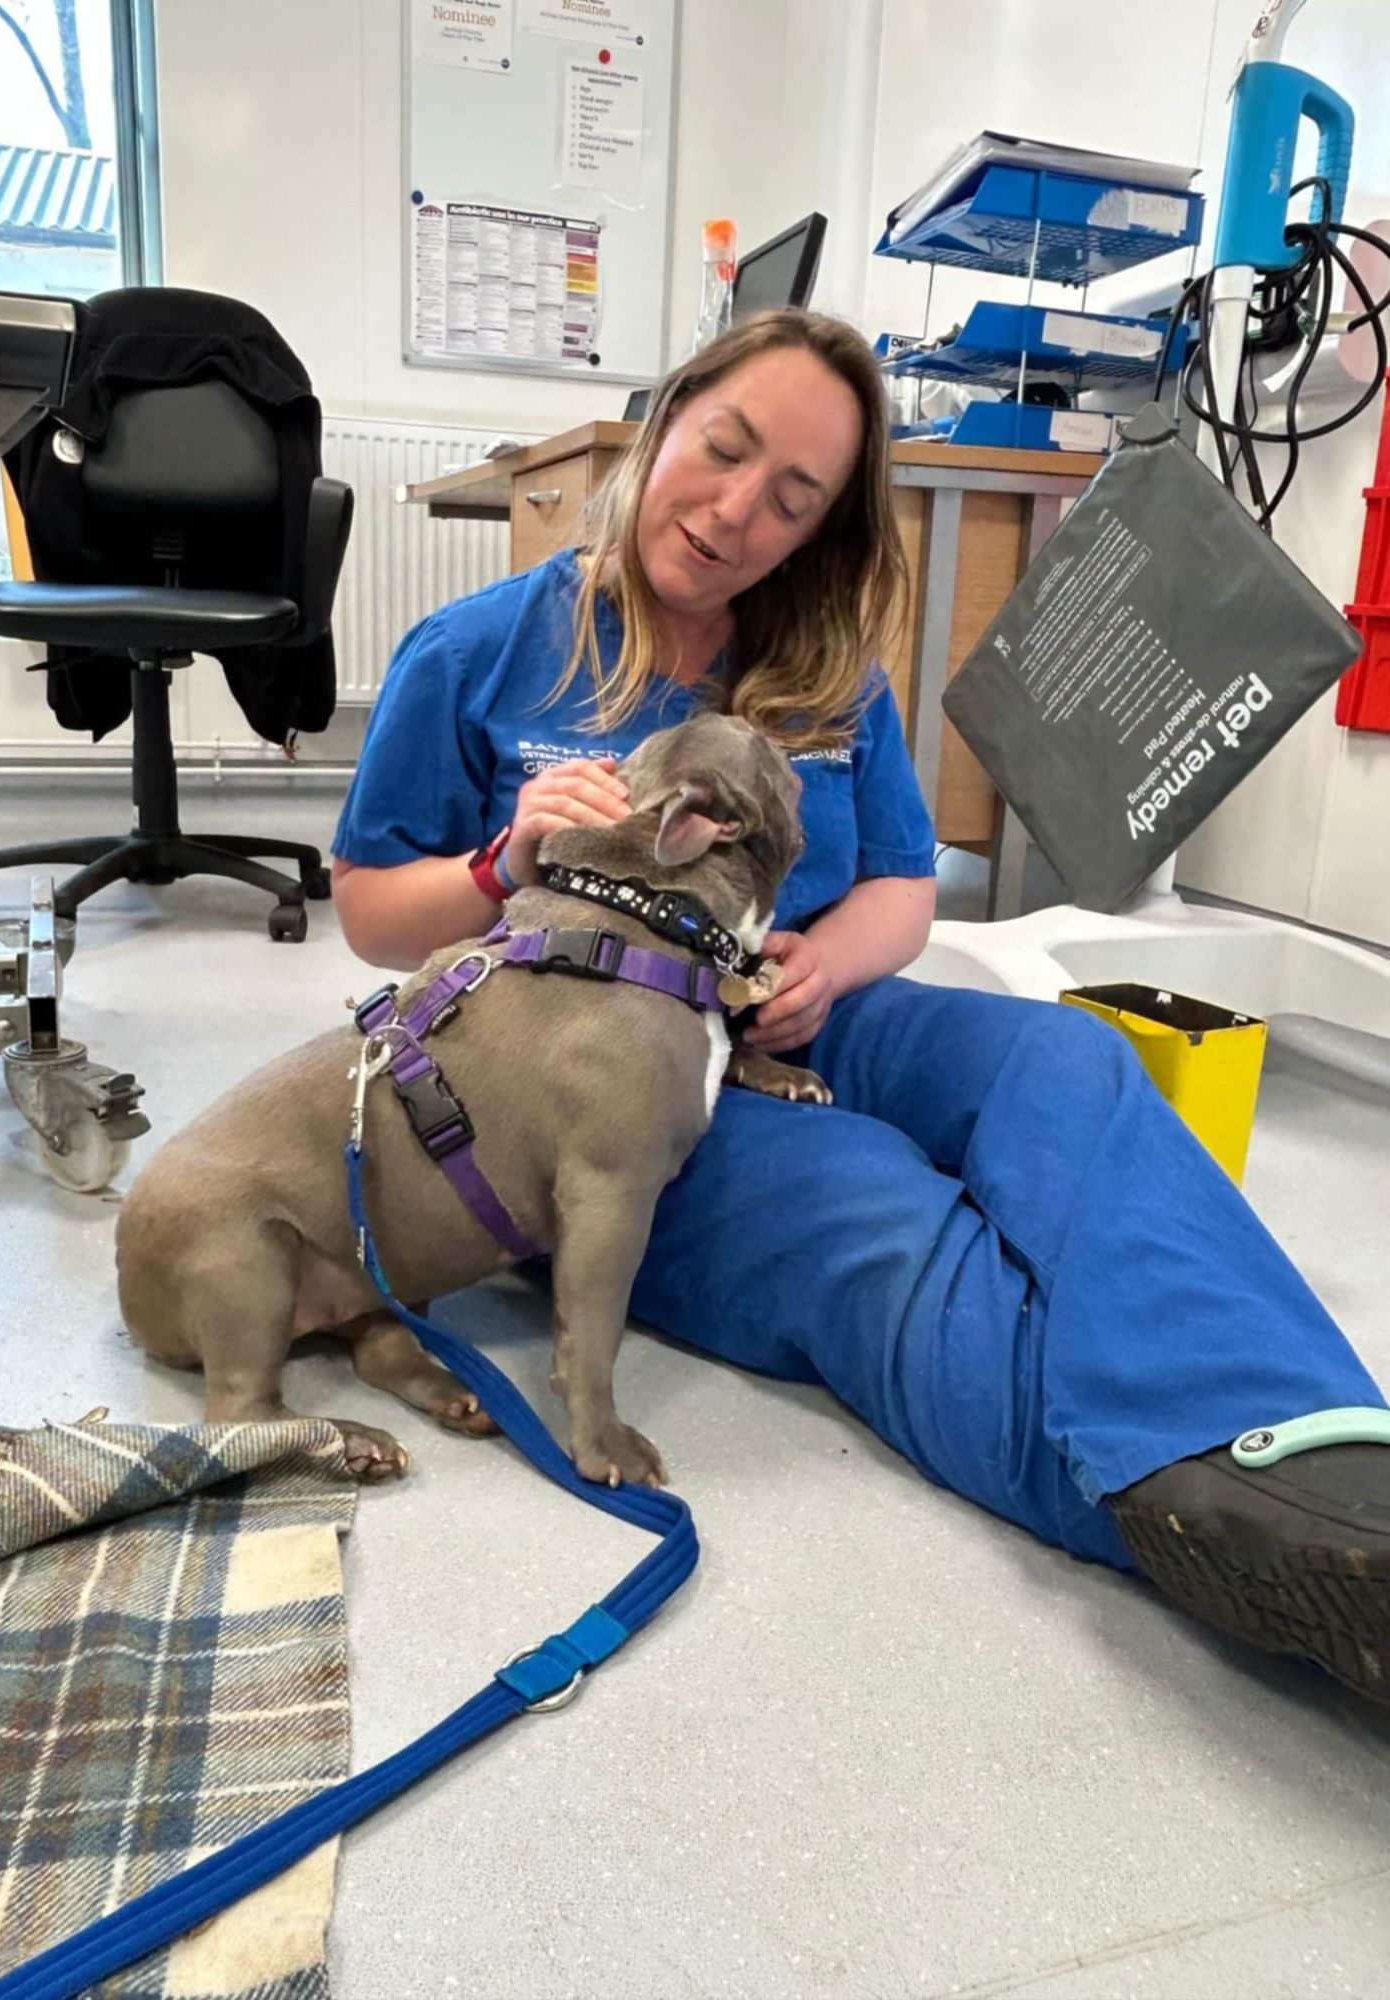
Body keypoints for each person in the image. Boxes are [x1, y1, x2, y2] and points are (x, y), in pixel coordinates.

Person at [332, 308, 1390, 1704]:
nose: (735, 512)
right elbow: (366, 907)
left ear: (822, 529)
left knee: (1064, 1072)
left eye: (793, 498)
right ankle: (1233, 1538)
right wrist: (497, 858)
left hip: (809, 1006)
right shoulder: (474, 652)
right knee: (879, 1209)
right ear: (667, 418)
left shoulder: (830, 672)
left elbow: (901, 881)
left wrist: (831, 963)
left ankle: (1320, 1460)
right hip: (614, 1069)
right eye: (724, 450)